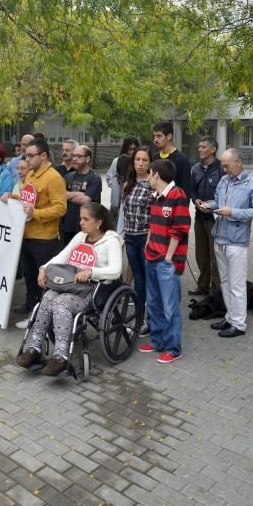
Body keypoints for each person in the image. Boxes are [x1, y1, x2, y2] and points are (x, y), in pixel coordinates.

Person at [16, 203, 122, 375]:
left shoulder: (111, 241)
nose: (81, 222)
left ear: (99, 222)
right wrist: (44, 268)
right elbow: (62, 256)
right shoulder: (81, 236)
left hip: (93, 289)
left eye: (86, 219)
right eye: (81, 218)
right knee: (48, 297)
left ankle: (61, 357)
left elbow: (116, 270)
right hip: (70, 283)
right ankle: (34, 348)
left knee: (60, 303)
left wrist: (91, 272)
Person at [198, 149, 253, 338]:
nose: (223, 169)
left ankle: (239, 324)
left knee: (237, 285)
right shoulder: (224, 180)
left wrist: (233, 212)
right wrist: (208, 205)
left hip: (237, 241)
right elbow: (219, 203)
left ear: (239, 162)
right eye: (222, 165)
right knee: (226, 283)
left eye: (226, 166)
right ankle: (230, 317)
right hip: (219, 237)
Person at [139, 159, 191, 364]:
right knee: (153, 302)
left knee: (170, 307)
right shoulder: (154, 196)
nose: (148, 177)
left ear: (157, 175)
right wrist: (149, 243)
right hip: (151, 256)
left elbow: (180, 229)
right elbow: (151, 223)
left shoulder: (177, 195)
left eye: (150, 173)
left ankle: (173, 347)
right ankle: (157, 341)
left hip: (166, 261)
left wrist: (169, 257)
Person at [14, 138, 67, 324]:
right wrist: (10, 197)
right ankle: (30, 305)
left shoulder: (54, 178)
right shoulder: (31, 175)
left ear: (43, 156)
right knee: (29, 274)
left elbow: (61, 208)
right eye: (25, 155)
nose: (26, 159)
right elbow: (25, 199)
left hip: (44, 239)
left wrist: (35, 213)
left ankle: (40, 317)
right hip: (27, 234)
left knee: (42, 279)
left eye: (30, 155)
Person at [122, 146, 153, 336]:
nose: (140, 164)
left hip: (145, 238)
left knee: (148, 280)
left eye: (144, 160)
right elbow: (124, 213)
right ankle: (139, 319)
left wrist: (150, 239)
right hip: (130, 237)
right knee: (139, 281)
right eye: (137, 160)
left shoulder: (153, 183)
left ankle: (150, 320)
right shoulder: (129, 183)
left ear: (150, 163)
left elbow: (155, 216)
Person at [189, 136, 223, 297]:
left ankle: (215, 290)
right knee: (201, 255)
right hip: (199, 218)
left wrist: (214, 204)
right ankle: (202, 286)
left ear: (213, 149)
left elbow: (225, 193)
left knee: (215, 257)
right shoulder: (195, 168)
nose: (199, 149)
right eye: (199, 146)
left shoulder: (222, 168)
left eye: (203, 147)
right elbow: (191, 189)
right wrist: (195, 200)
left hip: (215, 219)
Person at [62, 145, 102, 245]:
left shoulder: (94, 178)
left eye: (79, 156)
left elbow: (86, 200)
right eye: (74, 156)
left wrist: (67, 195)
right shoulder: (68, 176)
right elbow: (60, 195)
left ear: (87, 159)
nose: (74, 159)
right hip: (67, 228)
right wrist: (79, 193)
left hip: (86, 229)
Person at [152, 120, 191, 200]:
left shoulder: (182, 160)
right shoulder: (154, 158)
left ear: (169, 136)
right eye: (154, 136)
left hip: (174, 207)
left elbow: (185, 192)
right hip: (155, 206)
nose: (155, 140)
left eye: (159, 136)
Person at [106, 137, 139, 223]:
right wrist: (116, 185)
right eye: (129, 149)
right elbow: (109, 177)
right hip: (117, 202)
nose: (132, 152)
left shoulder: (139, 162)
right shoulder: (117, 161)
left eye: (134, 149)